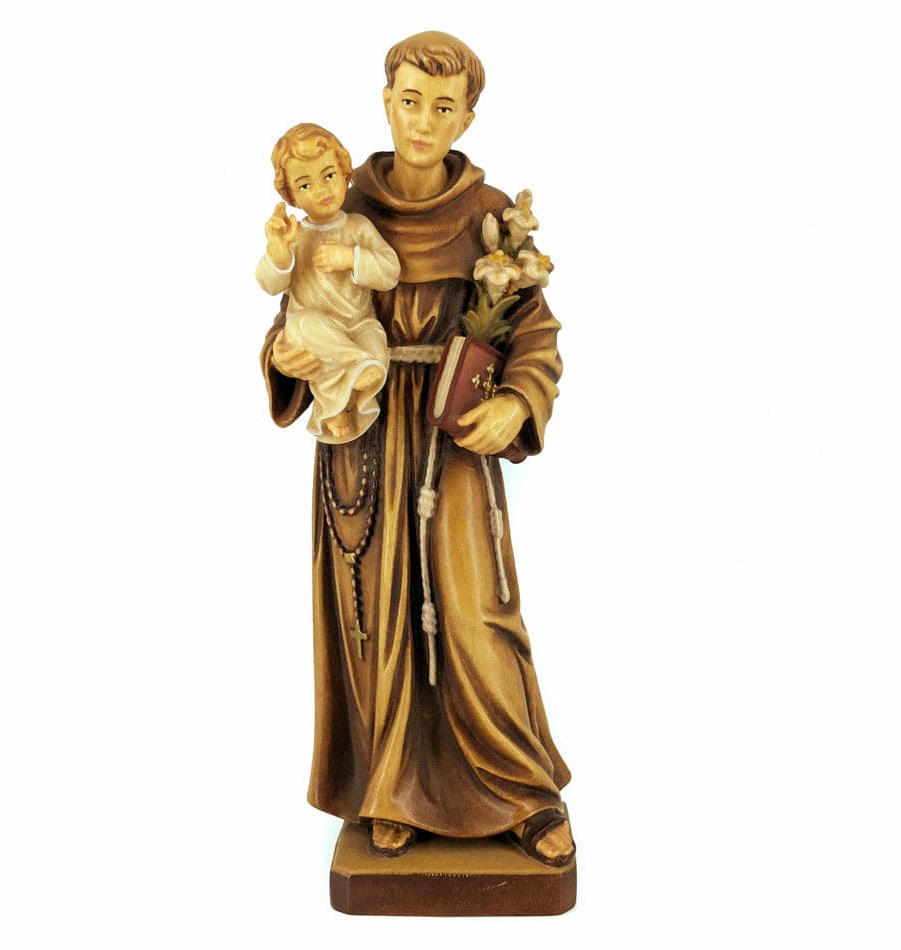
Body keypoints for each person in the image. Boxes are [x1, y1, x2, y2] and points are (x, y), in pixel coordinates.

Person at [259, 32, 574, 866]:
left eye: (443, 107)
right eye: (408, 102)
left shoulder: (489, 215)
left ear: (467, 117)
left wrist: (517, 399)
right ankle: (390, 785)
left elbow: (535, 331)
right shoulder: (342, 200)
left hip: (451, 437)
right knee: (374, 614)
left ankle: (522, 790)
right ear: (385, 102)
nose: (423, 122)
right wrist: (286, 358)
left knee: (474, 613)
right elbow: (300, 305)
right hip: (361, 428)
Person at [256, 123, 400, 443]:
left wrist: (352, 258)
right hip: (315, 328)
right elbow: (269, 284)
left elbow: (390, 272)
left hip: (358, 322)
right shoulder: (296, 235)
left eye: (329, 175)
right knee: (306, 328)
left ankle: (347, 395)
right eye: (305, 185)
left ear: (345, 173)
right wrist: (279, 251)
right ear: (291, 196)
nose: (321, 190)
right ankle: (336, 403)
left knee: (375, 345)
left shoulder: (358, 227)